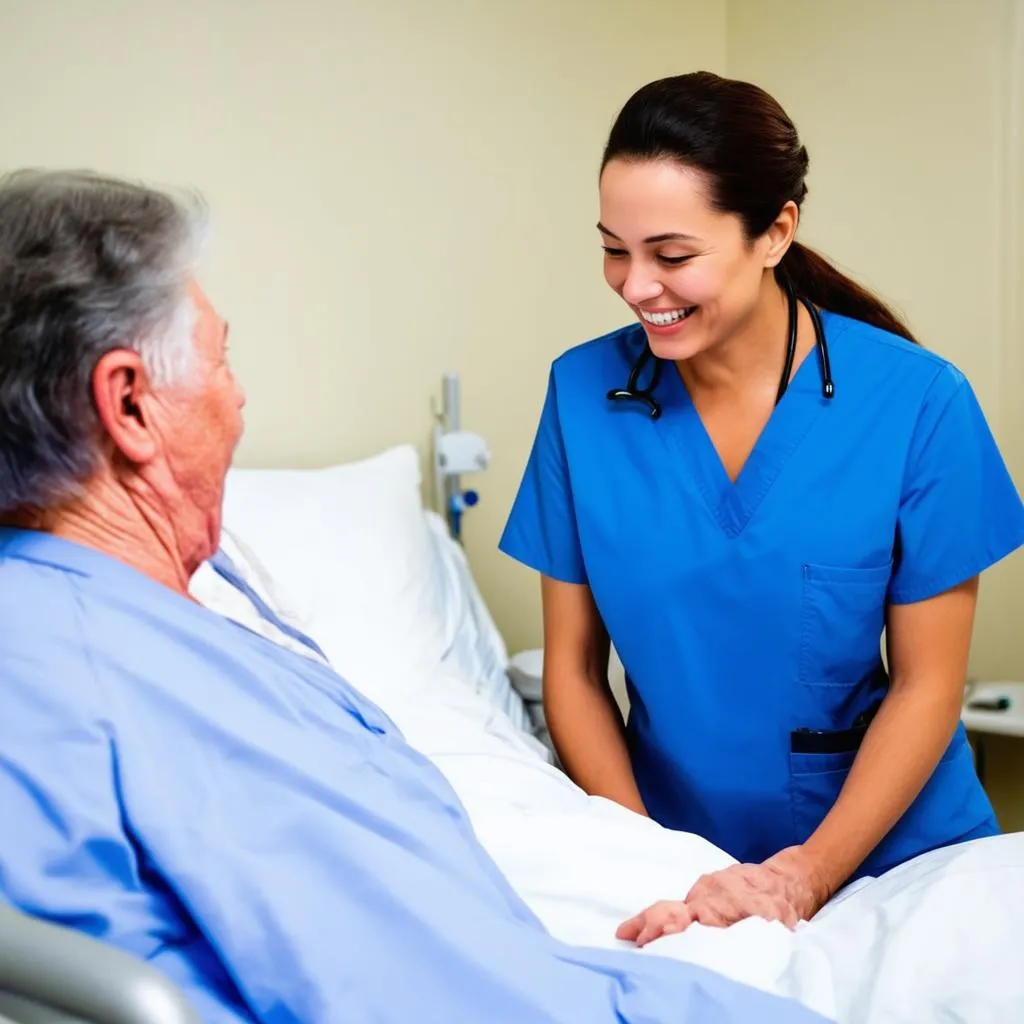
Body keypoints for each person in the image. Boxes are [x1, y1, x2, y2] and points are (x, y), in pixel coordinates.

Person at [0, 169, 828, 1024]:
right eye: (220, 358)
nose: (237, 394)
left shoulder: (56, 629)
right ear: (130, 403)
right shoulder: (166, 692)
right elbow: (441, 994)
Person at [499, 71, 1024, 944]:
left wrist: (804, 878)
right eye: (612, 249)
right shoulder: (581, 394)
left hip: (898, 859)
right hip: (673, 857)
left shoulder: (917, 402)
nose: (635, 286)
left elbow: (930, 683)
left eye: (672, 255)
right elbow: (574, 676)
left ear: (775, 232)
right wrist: (648, 862)